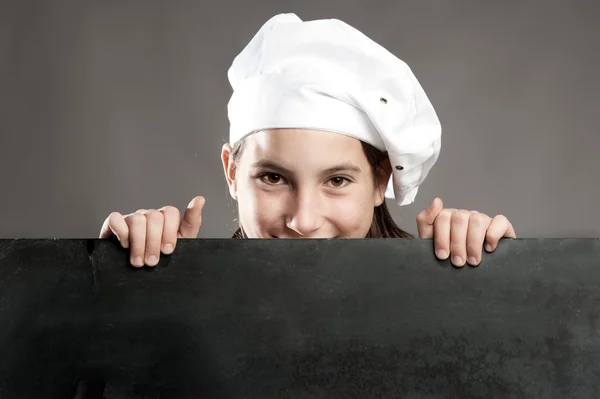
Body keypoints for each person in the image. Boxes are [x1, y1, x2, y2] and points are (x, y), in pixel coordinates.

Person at [99, 14, 516, 269]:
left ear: (379, 181)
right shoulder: (178, 298)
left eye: (336, 181)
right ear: (231, 171)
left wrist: (486, 286)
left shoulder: (439, 299)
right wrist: (132, 287)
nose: (304, 221)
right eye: (273, 178)